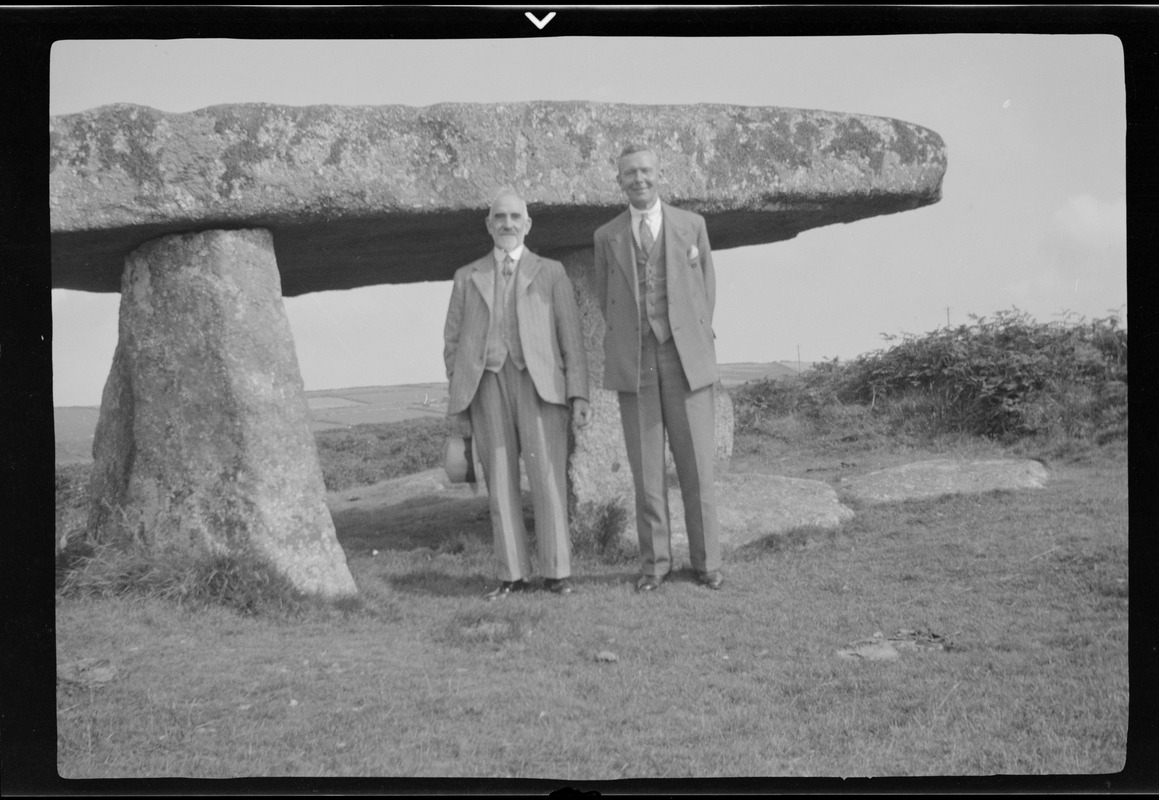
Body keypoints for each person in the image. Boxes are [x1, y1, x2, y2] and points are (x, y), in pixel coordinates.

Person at [444, 188, 592, 599]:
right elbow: (452, 344)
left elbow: (572, 340)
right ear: (488, 225)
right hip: (486, 384)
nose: (507, 224)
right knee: (500, 478)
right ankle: (512, 573)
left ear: (527, 225)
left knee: (546, 475)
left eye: (515, 217)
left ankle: (557, 571)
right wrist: (458, 403)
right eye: (500, 217)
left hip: (540, 384)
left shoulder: (551, 272)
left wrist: (578, 394)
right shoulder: (466, 276)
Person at [593, 144, 724, 592]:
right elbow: (604, 293)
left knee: (696, 468)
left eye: (645, 171)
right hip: (636, 362)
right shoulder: (606, 236)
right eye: (629, 173)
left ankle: (707, 563)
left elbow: (705, 288)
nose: (639, 180)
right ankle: (655, 565)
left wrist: (686, 333)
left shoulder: (692, 226)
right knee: (646, 471)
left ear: (659, 173)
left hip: (685, 359)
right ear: (619, 181)